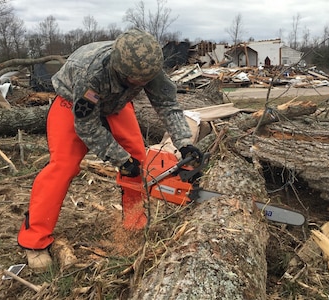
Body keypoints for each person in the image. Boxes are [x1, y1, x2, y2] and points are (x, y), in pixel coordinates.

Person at [17, 28, 203, 272]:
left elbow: (167, 104)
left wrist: (184, 141)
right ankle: (34, 240)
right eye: (135, 81)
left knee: (138, 158)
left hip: (116, 105)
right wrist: (118, 159)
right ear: (119, 69)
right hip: (73, 105)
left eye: (143, 81)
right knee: (63, 166)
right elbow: (86, 124)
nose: (140, 84)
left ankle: (135, 224)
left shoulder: (148, 67)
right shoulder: (91, 74)